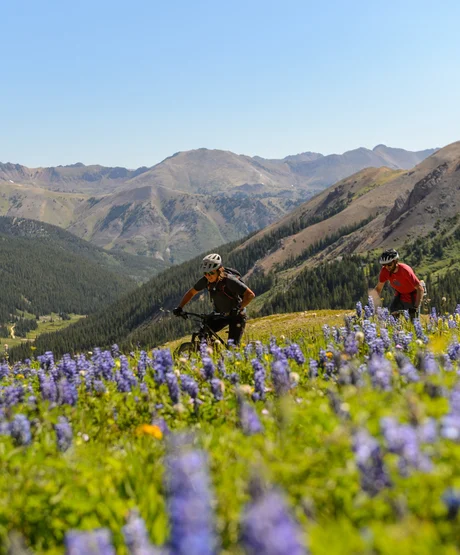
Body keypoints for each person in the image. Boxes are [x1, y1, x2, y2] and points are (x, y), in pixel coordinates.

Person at [172, 253, 255, 346]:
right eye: (205, 273)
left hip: (237, 315)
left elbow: (250, 294)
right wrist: (180, 307)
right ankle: (215, 354)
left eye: (211, 272)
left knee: (233, 348)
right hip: (220, 314)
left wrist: (238, 308)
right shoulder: (206, 280)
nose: (208, 276)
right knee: (203, 334)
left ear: (219, 270)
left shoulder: (229, 280)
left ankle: (249, 350)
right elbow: (191, 292)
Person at [373, 248, 424, 320]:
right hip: (400, 295)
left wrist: (415, 307)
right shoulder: (385, 271)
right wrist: (371, 304)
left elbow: (420, 288)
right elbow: (378, 289)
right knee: (392, 317)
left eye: (389, 264)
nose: (387, 267)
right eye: (384, 265)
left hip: (413, 295)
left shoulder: (405, 270)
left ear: (395, 261)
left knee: (413, 321)